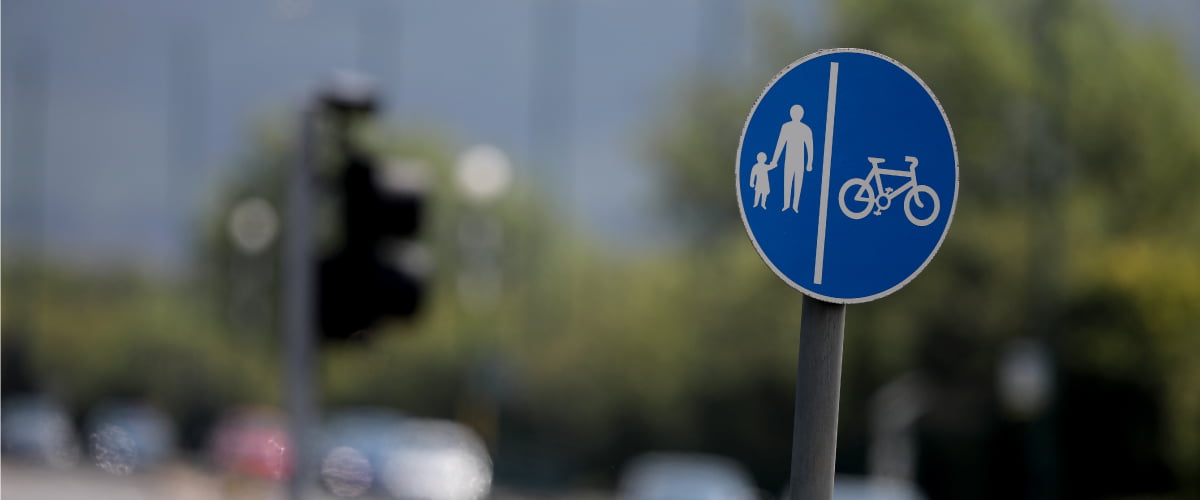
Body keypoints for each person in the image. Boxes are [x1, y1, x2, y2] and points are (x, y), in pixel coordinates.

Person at [770, 104, 814, 213]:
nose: (796, 115)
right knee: (787, 182)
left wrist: (809, 163)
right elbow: (780, 144)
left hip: (800, 161)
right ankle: (786, 204)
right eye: (795, 113)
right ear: (791, 114)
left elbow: (810, 148)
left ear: (802, 115)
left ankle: (795, 205)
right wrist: (775, 160)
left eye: (798, 113)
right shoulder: (786, 127)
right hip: (789, 160)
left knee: (798, 183)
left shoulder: (806, 129)